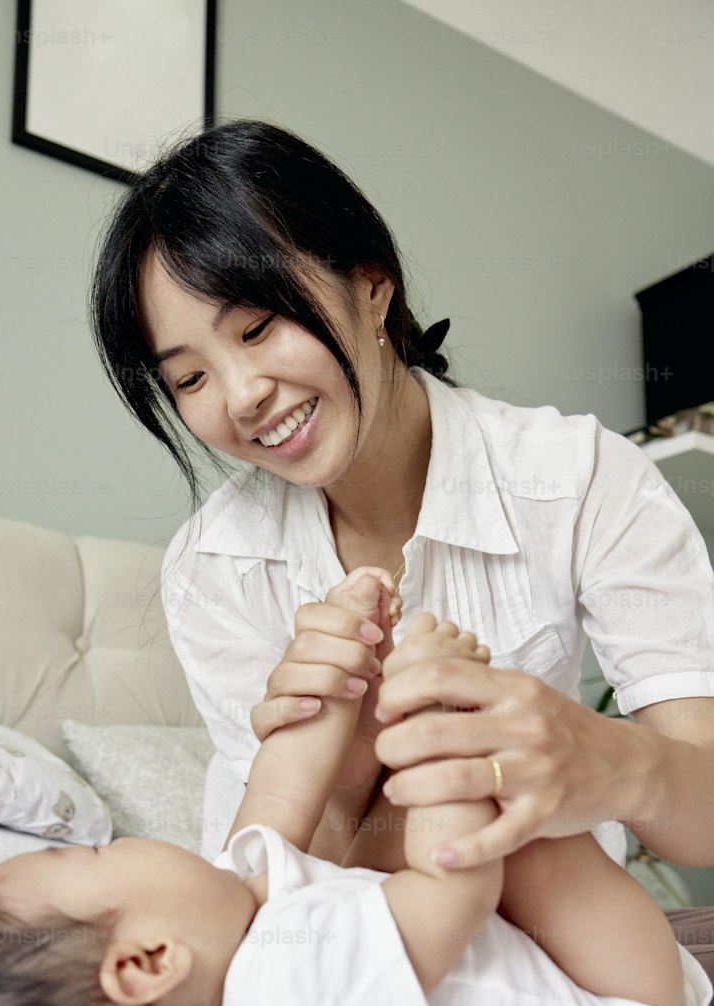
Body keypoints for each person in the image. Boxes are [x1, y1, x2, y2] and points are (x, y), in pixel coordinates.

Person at [87, 117, 714, 885]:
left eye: (257, 327)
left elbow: (704, 816)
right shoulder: (213, 567)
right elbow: (273, 879)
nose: (242, 396)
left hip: (544, 921)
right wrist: (344, 776)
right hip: (324, 933)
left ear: (372, 284)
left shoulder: (580, 478)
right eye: (189, 379)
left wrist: (608, 759)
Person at [0, 571, 712, 1006]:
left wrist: (334, 659)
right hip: (624, 1005)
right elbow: (456, 886)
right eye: (96, 857)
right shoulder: (290, 1000)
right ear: (146, 961)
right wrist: (434, 700)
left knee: (425, 807)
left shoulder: (227, 927)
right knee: (498, 815)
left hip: (558, 966)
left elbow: (279, 794)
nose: (119, 843)